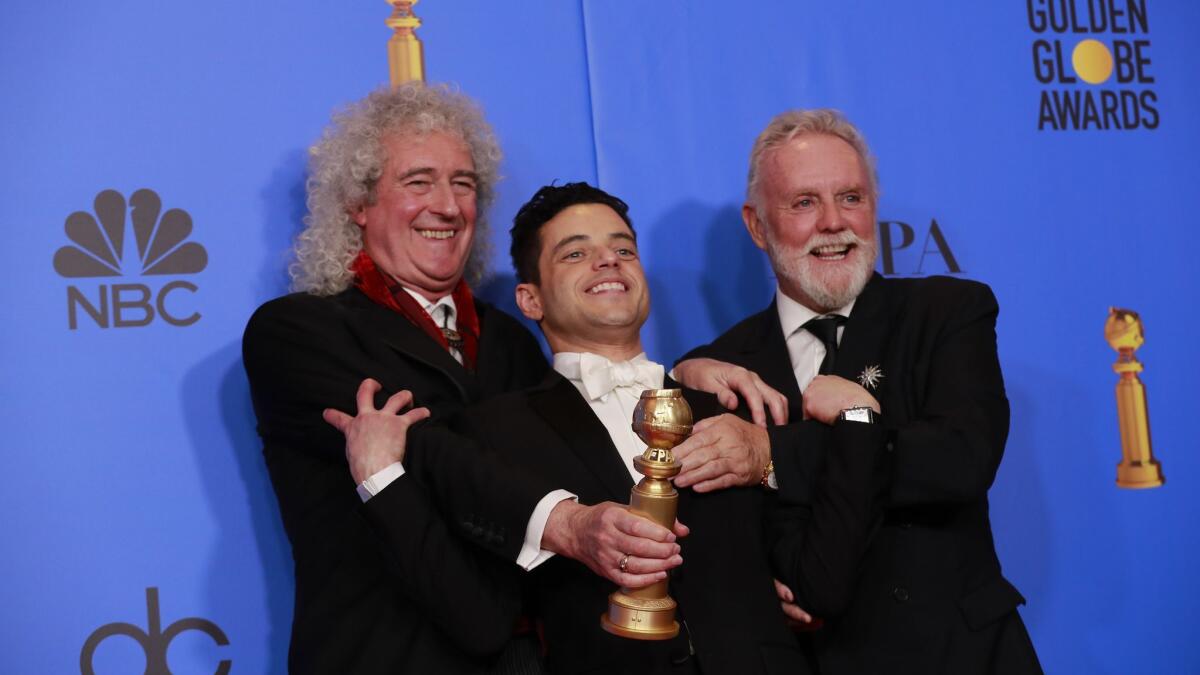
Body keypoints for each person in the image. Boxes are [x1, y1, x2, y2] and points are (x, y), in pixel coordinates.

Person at [243, 83, 781, 674]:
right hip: (390, 656)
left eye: (463, 184)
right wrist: (568, 523)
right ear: (359, 203)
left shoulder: (509, 341)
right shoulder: (298, 331)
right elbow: (430, 452)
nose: (447, 206)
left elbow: (586, 409)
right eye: (418, 182)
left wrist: (680, 376)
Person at [329, 182, 889, 674]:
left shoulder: (733, 406)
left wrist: (857, 421)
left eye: (623, 249)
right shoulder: (491, 433)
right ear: (530, 299)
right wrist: (381, 483)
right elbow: (479, 621)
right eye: (576, 254)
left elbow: (822, 585)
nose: (609, 262)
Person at [672, 109, 1043, 674]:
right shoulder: (720, 365)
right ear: (756, 225)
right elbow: (718, 535)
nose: (833, 223)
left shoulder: (946, 313)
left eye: (851, 198)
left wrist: (770, 455)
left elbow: (958, 459)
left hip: (958, 654)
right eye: (803, 203)